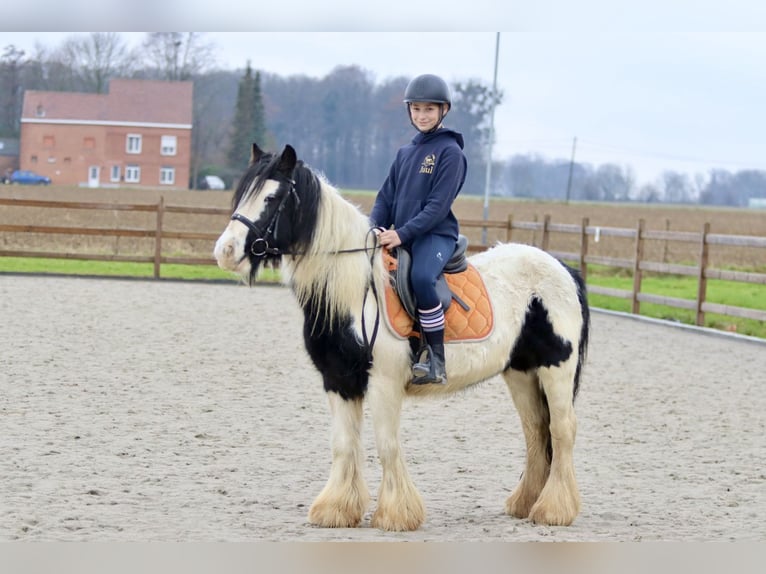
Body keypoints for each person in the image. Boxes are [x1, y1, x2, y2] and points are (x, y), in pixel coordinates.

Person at [370, 73, 468, 385]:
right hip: (405, 232)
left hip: (435, 235)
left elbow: (437, 208)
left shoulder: (451, 153)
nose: (422, 115)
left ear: (444, 110)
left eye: (429, 109)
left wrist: (401, 234)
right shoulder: (405, 153)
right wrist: (374, 227)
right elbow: (385, 197)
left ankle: (436, 360)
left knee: (422, 278)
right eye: (416, 109)